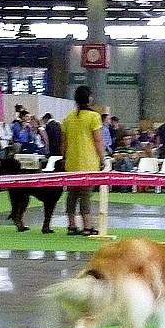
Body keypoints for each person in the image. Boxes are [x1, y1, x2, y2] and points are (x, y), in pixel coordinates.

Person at [61, 85, 106, 236]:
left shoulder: (68, 118)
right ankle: (88, 226)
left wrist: (64, 158)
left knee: (72, 194)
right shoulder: (94, 117)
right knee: (86, 195)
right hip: (88, 162)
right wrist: (102, 158)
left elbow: (64, 143)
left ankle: (71, 225)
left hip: (72, 162)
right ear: (89, 99)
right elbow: (98, 141)